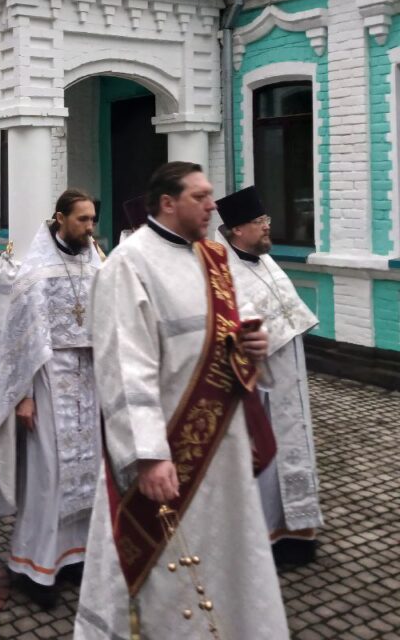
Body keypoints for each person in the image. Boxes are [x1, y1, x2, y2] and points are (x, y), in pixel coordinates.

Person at [74, 162, 289, 640]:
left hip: (223, 447)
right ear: (167, 203)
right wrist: (148, 455)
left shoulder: (214, 258)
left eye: (210, 195)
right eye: (200, 196)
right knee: (167, 570)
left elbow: (236, 324)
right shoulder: (128, 265)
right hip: (170, 451)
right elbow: (124, 367)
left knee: (231, 554)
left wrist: (252, 343)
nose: (213, 205)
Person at [0, 189, 102, 608]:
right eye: (82, 219)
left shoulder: (96, 263)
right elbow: (19, 343)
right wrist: (23, 396)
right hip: (47, 382)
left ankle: (75, 557)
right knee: (48, 477)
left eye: (92, 219)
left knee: (87, 473)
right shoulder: (35, 271)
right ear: (60, 218)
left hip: (88, 383)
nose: (90, 228)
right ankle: (36, 567)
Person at [216, 185, 323, 565]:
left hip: (290, 375)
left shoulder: (265, 260)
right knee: (267, 458)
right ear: (237, 229)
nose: (267, 226)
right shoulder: (225, 273)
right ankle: (268, 537)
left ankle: (299, 528)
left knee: (295, 448)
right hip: (261, 385)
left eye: (267, 219)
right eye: (260, 221)